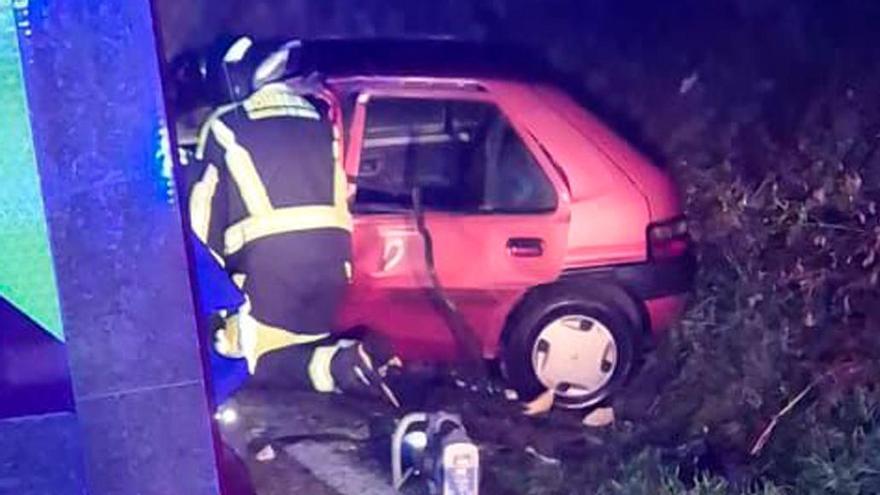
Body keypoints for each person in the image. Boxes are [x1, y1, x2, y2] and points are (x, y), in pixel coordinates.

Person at [184, 36, 401, 407]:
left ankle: (339, 362)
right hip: (331, 276)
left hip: (268, 280)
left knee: (238, 364)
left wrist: (204, 298)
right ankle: (344, 359)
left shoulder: (225, 127)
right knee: (296, 349)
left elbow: (203, 221)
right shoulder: (317, 120)